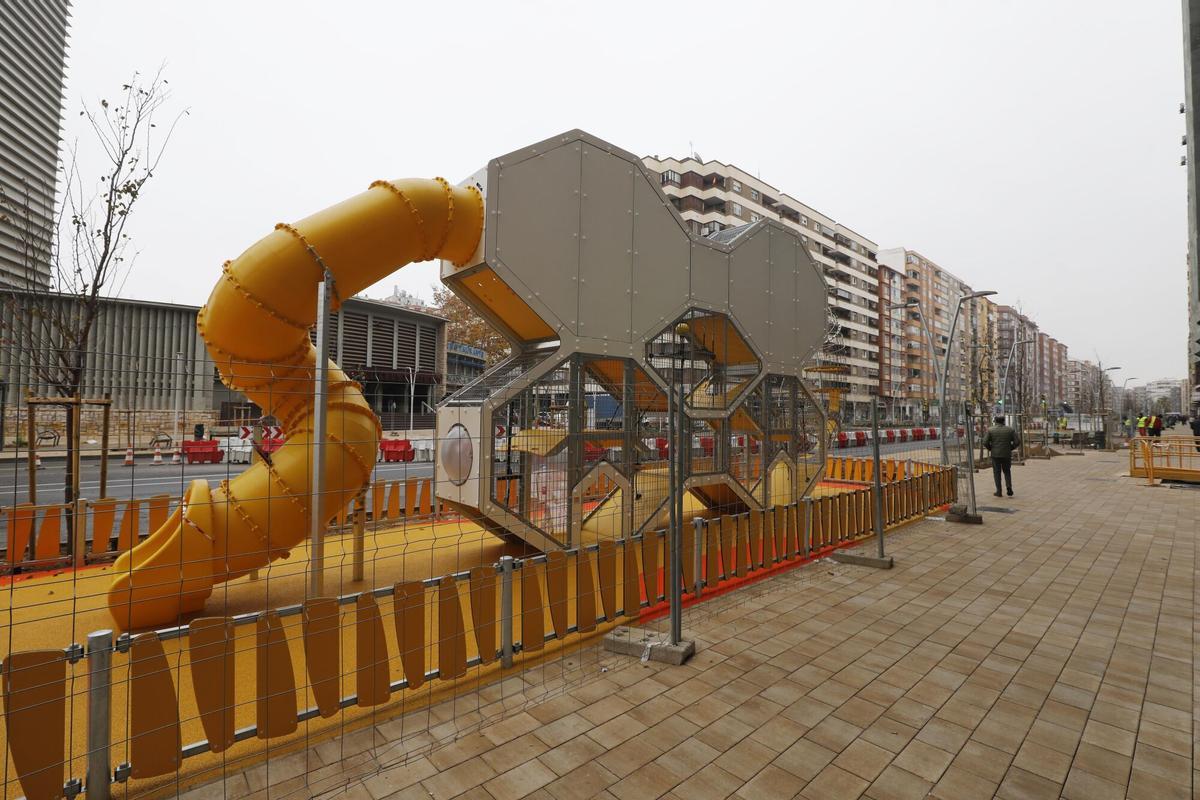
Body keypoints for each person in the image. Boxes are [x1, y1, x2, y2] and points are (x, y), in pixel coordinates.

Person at [983, 415, 1020, 497]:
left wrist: (991, 448)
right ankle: (1009, 487)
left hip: (995, 455)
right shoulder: (1010, 430)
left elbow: (985, 442)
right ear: (1004, 421)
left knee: (997, 473)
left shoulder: (991, 430)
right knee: (1007, 471)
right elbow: (1017, 442)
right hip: (1006, 454)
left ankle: (999, 491)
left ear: (995, 421)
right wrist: (1010, 448)